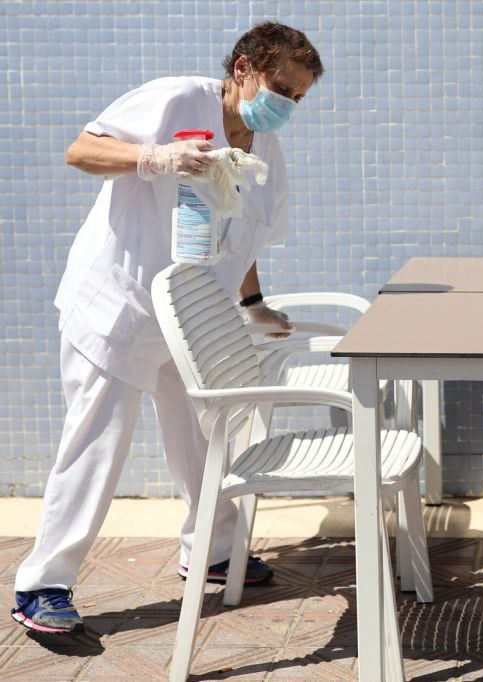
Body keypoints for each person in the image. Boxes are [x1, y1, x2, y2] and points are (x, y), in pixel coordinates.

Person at [11, 22, 323, 634]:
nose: (287, 104)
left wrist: (252, 302)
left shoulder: (266, 148)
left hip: (192, 317)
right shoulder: (178, 99)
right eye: (281, 87)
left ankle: (214, 551)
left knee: (204, 435)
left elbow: (245, 233)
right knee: (97, 443)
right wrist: (153, 156)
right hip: (120, 307)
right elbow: (81, 150)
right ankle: (42, 584)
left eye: (300, 96)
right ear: (243, 69)